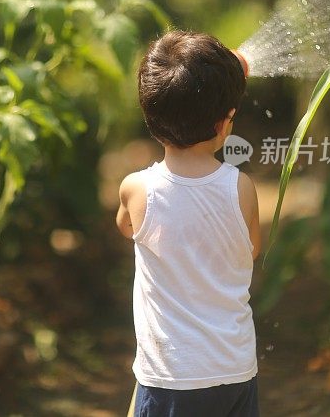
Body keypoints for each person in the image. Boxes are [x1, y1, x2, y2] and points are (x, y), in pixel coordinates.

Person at [116, 30, 261, 416]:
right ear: (224, 122)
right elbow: (252, 249)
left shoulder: (136, 189)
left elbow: (126, 227)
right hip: (234, 369)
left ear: (150, 115)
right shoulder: (241, 188)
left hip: (170, 376)